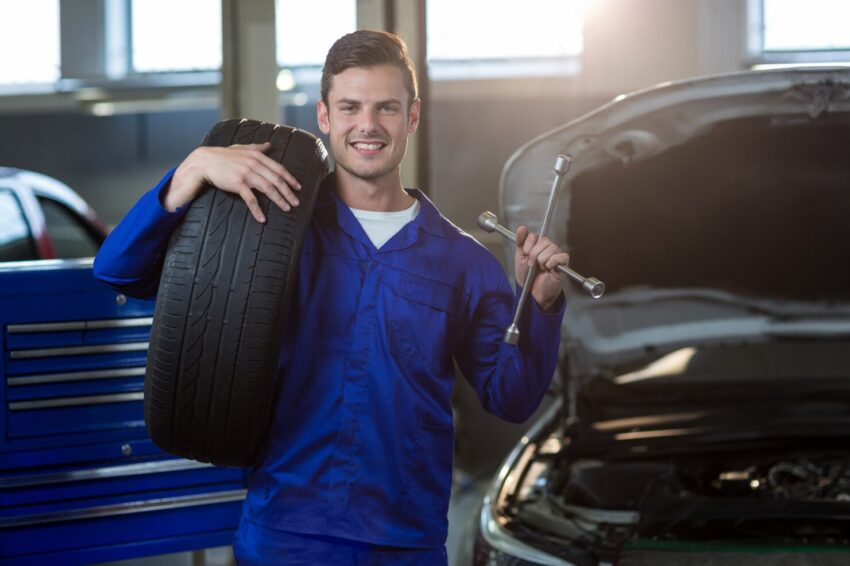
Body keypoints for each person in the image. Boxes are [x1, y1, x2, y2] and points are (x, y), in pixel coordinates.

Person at [94, 29, 569, 565]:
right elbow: (118, 271)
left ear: (412, 117)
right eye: (350, 107)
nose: (368, 125)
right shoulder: (268, 225)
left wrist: (543, 303)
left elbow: (512, 396)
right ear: (324, 116)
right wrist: (192, 170)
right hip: (283, 533)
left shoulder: (464, 264)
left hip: (404, 543)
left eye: (387, 108)